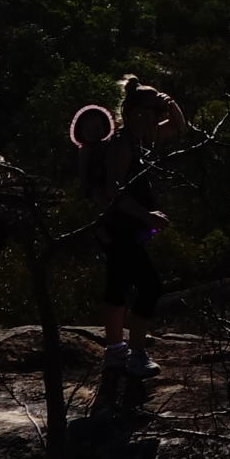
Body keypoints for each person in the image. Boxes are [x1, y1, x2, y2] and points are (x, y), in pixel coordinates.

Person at [70, 77, 187, 380]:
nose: (159, 116)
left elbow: (180, 127)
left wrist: (169, 102)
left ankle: (115, 353)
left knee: (118, 285)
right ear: (136, 112)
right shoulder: (122, 144)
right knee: (150, 286)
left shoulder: (137, 138)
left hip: (119, 227)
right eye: (155, 111)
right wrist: (147, 216)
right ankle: (136, 354)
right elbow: (113, 191)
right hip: (119, 228)